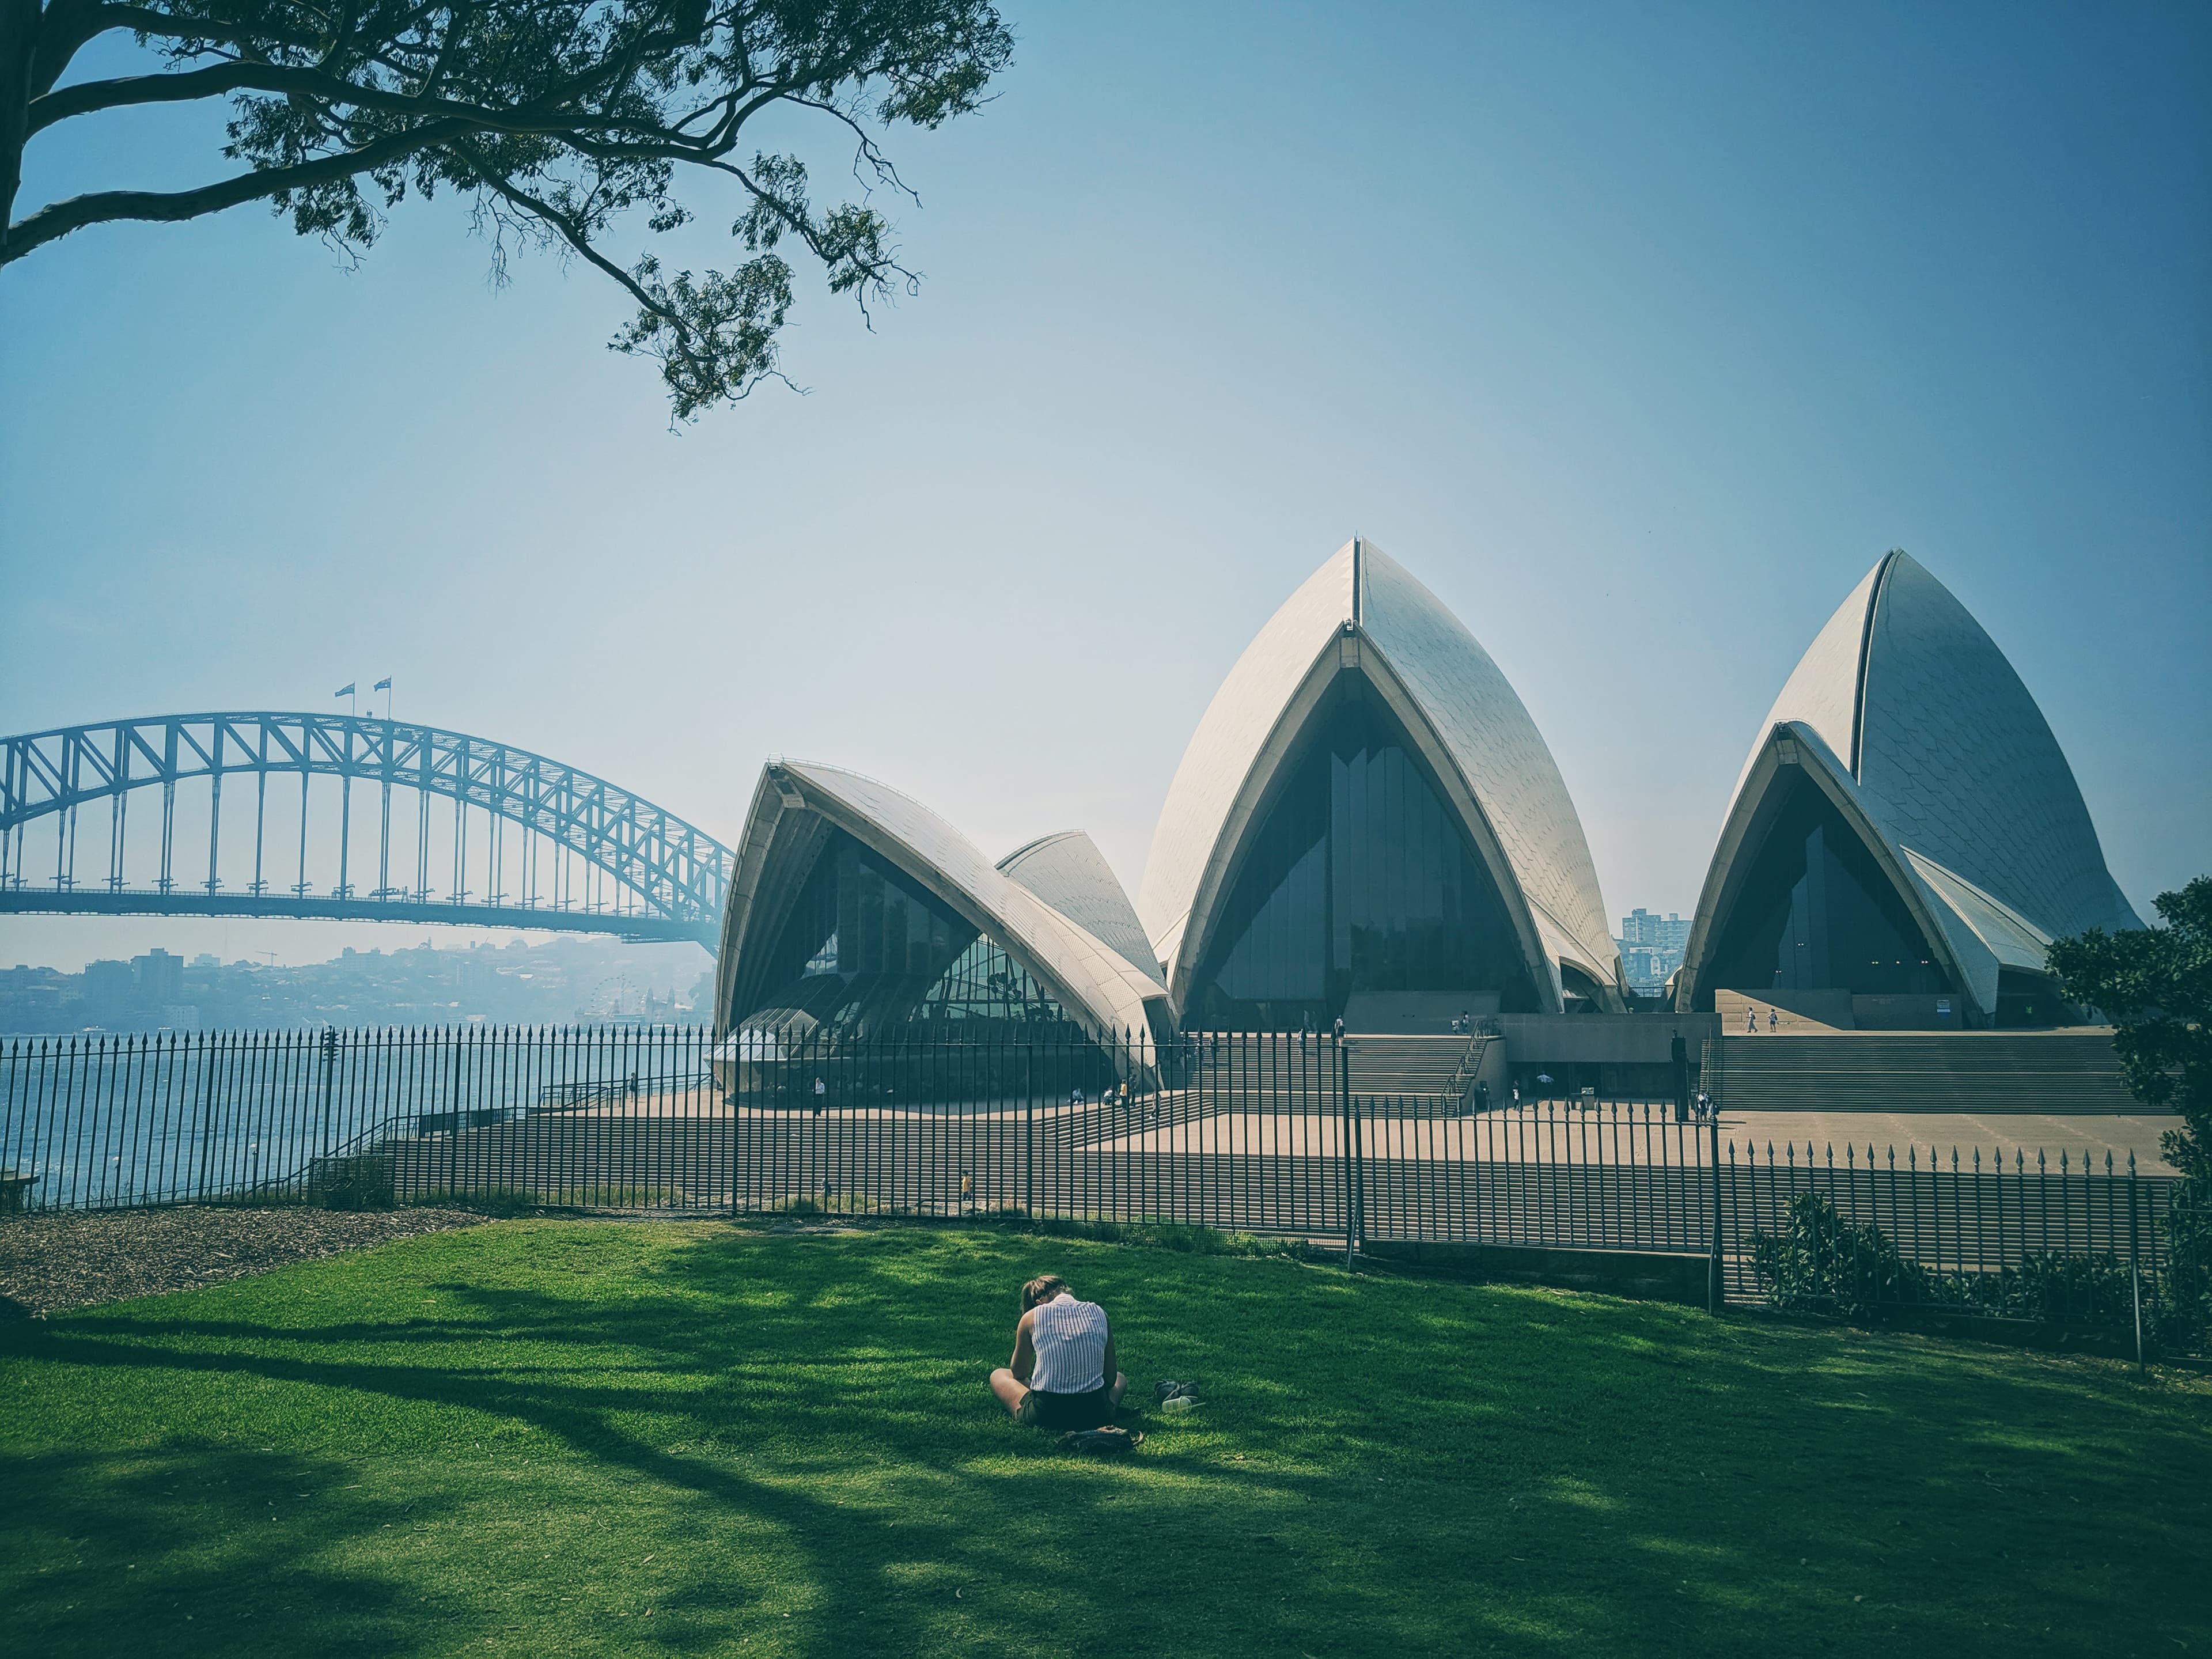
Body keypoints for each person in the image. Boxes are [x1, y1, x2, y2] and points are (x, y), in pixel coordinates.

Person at [989, 1275, 1127, 1430]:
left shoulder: (1031, 1317)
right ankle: (1109, 1410)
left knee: (999, 1375)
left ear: (1038, 1303)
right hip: (1096, 1414)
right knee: (1120, 1378)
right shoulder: (1100, 1312)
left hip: (1047, 1414)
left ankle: (1036, 1407)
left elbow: (1019, 1373)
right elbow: (1110, 1379)